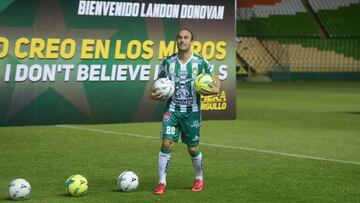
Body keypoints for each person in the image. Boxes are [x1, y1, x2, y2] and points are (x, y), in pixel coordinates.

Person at [149, 28, 221, 195]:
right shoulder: (168, 62)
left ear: (191, 41)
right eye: (180, 37)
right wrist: (153, 93)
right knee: (166, 143)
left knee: (193, 149)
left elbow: (214, 76)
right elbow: (157, 81)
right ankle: (161, 182)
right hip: (172, 110)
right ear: (177, 41)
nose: (182, 40)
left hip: (192, 112)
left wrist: (216, 88)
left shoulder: (200, 62)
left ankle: (199, 177)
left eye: (186, 37)